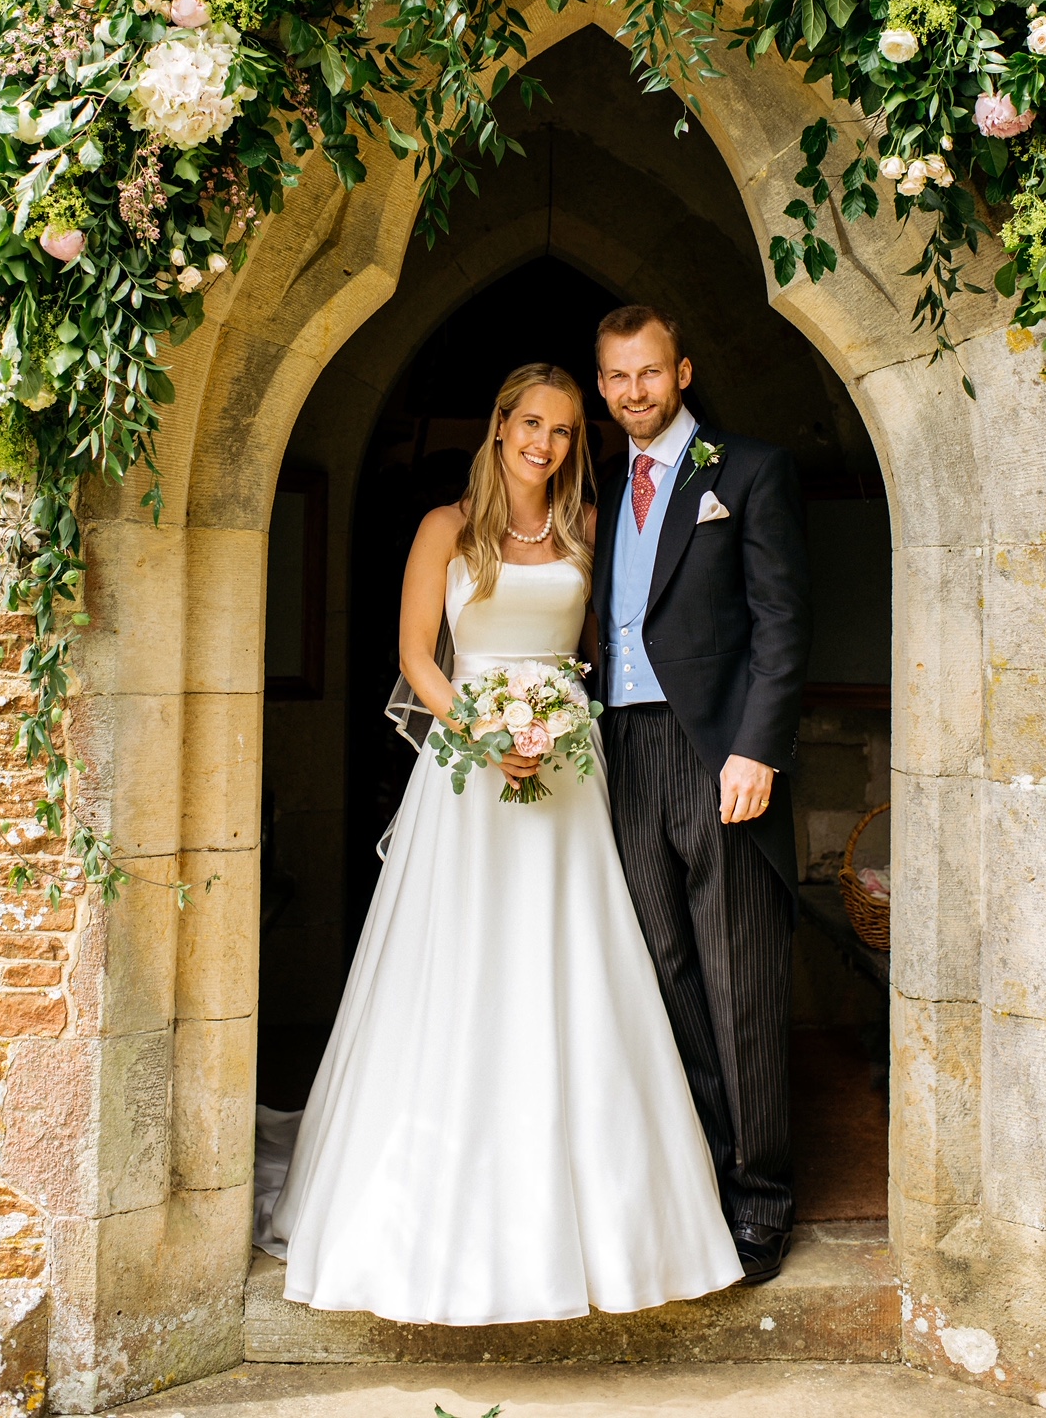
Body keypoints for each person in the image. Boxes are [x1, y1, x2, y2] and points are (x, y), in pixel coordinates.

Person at [260, 362, 743, 1322]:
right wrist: (485, 735)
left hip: (567, 773)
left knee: (574, 964)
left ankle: (608, 1215)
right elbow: (412, 659)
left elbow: (616, 647)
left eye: (566, 431)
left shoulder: (587, 533)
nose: (547, 444)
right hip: (469, 779)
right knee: (462, 964)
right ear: (499, 426)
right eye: (532, 423)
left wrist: (565, 728)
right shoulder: (445, 529)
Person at [593, 306, 812, 1286]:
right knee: (665, 974)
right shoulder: (600, 487)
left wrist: (757, 752)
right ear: (601, 387)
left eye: (648, 372)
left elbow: (780, 621)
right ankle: (705, 1178)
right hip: (619, 750)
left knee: (739, 982)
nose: (633, 391)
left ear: (680, 371)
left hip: (716, 753)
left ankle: (761, 1201)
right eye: (615, 378)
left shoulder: (746, 469)